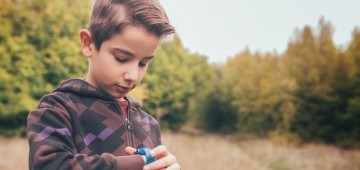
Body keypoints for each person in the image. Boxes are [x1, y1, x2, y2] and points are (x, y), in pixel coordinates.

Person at [27, 0, 180, 169]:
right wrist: (140, 163)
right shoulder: (58, 110)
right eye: (121, 58)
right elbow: (51, 165)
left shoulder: (149, 123)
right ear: (88, 43)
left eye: (143, 63)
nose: (133, 76)